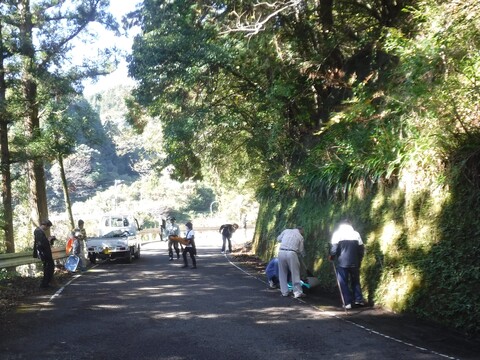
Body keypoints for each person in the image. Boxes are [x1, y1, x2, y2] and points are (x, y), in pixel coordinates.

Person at [329, 219, 365, 309]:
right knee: (355, 281)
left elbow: (334, 249)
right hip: (355, 262)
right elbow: (361, 249)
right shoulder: (356, 234)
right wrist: (359, 260)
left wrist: (331, 256)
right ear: (350, 224)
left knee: (342, 282)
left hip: (342, 262)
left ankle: (347, 302)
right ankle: (359, 300)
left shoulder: (337, 234)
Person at [277, 227, 306, 299]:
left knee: (282, 273)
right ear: (300, 231)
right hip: (292, 253)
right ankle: (297, 292)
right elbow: (301, 250)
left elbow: (278, 239)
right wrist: (303, 257)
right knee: (295, 273)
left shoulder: (286, 231)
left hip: (281, 252)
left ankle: (284, 292)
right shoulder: (300, 236)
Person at [32, 219, 56, 289]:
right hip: (44, 253)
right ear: (45, 225)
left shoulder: (40, 231)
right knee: (48, 268)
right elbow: (40, 243)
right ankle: (45, 284)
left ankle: (46, 283)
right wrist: (48, 239)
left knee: (49, 267)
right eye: (48, 227)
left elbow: (42, 241)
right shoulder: (38, 231)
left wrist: (49, 239)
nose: (48, 229)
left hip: (45, 252)